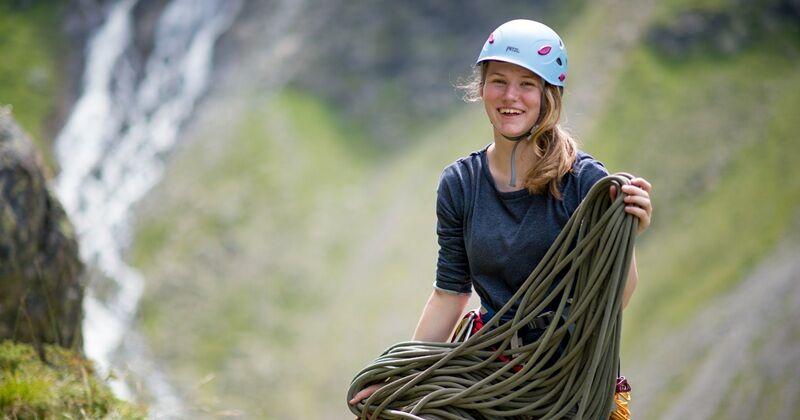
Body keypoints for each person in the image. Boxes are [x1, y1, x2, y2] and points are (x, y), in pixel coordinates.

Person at [349, 18, 652, 407]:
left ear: (549, 95)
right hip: (487, 366)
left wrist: (626, 234)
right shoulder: (460, 184)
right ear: (481, 89)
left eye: (527, 84)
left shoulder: (585, 182)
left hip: (567, 374)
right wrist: (399, 380)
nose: (511, 96)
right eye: (498, 81)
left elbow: (616, 294)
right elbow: (449, 296)